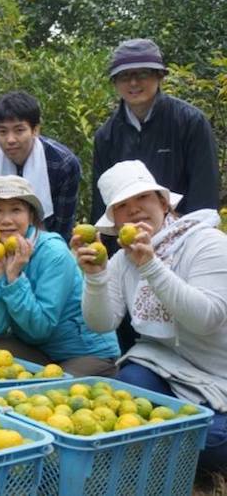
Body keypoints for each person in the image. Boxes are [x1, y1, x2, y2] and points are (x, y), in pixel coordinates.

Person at [75, 160, 227, 472]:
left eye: (142, 198)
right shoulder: (121, 261)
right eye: (122, 205)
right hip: (167, 369)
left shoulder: (206, 243)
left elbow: (207, 318)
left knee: (210, 441)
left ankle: (155, 446)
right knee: (126, 390)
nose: (134, 210)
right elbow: (101, 323)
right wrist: (95, 276)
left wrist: (151, 264)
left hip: (219, 377)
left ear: (163, 202)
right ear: (114, 221)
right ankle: (162, 446)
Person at [0, 175, 120, 377]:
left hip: (84, 354)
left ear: (31, 216)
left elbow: (40, 327)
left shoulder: (53, 253)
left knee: (51, 395)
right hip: (39, 350)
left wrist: (14, 278)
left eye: (16, 210)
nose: (6, 220)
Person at [91, 39, 219, 226]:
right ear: (115, 82)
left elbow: (204, 192)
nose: (133, 83)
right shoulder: (106, 136)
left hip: (184, 237)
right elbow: (103, 202)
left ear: (159, 76)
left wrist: (190, 239)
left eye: (143, 74)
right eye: (124, 76)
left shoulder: (190, 122)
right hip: (130, 239)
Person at [0, 91, 81, 242]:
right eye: (2, 131)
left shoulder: (63, 162)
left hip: (46, 240)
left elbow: (63, 225)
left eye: (19, 130)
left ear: (35, 130)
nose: (10, 139)